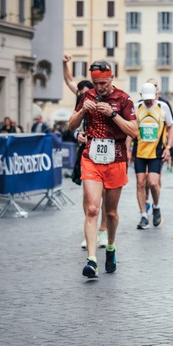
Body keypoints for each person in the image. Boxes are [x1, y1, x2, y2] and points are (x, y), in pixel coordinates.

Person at [67, 60, 137, 278]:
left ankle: (110, 246)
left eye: (104, 83)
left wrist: (113, 114)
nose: (100, 88)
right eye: (96, 84)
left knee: (111, 212)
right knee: (92, 209)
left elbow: (135, 132)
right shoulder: (86, 96)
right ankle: (91, 260)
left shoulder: (124, 99)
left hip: (116, 158)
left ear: (112, 78)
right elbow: (70, 125)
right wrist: (81, 113)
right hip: (91, 158)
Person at [63, 54, 108, 250]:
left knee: (105, 193)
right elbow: (68, 80)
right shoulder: (82, 98)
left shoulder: (105, 96)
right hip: (87, 148)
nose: (82, 94)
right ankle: (90, 227)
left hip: (107, 148)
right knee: (87, 195)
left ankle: (103, 231)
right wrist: (65, 63)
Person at [133, 82, 173, 229]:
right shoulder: (136, 107)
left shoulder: (163, 107)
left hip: (156, 152)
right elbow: (130, 129)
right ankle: (143, 215)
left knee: (153, 183)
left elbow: (171, 126)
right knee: (140, 183)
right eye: (146, 99)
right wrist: (126, 149)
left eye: (151, 98)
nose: (149, 101)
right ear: (141, 96)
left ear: (156, 95)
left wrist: (168, 147)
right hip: (139, 151)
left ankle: (156, 207)